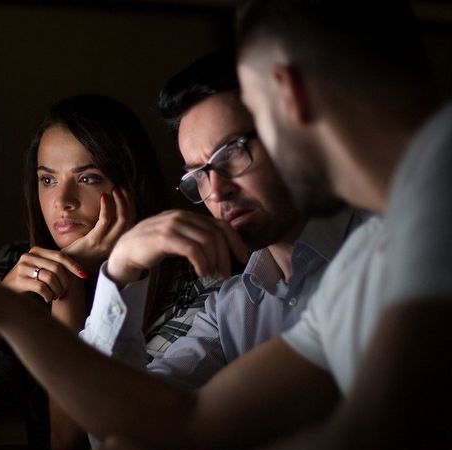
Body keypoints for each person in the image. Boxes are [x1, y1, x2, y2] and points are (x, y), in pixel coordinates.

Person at [0, 1, 451, 450]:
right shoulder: (365, 256)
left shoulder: (437, 185)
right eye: (197, 175)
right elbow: (182, 416)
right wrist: (0, 308)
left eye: (240, 146)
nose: (215, 193)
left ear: (287, 94)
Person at [0, 94, 208, 450]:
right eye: (47, 180)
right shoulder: (17, 267)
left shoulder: (190, 282)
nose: (62, 200)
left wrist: (68, 283)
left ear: (131, 185)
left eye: (88, 178)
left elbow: (72, 447)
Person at [82, 49, 360, 390]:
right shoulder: (232, 307)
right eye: (198, 174)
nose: (215, 191)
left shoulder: (388, 249)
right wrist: (123, 264)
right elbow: (128, 418)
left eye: (230, 154)